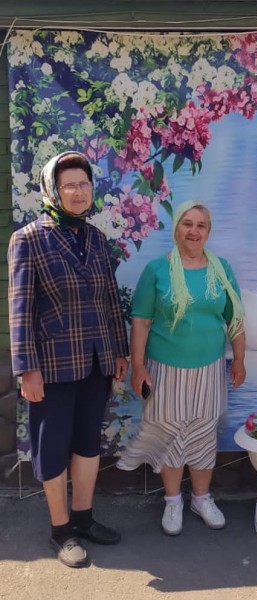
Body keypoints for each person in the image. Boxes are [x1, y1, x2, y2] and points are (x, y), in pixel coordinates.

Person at [8, 151, 130, 568]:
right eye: (69, 186)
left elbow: (109, 299)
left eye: (84, 184)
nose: (79, 192)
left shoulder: (95, 238)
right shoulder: (28, 239)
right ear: (52, 191)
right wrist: (27, 369)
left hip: (96, 360)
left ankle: (84, 518)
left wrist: (119, 350)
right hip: (52, 366)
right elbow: (20, 309)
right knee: (52, 447)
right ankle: (61, 531)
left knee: (87, 444)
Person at [117, 200, 246, 537]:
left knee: (203, 434)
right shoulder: (156, 270)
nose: (193, 231)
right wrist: (138, 366)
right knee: (170, 436)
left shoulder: (221, 270)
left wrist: (240, 359)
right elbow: (141, 321)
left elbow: (235, 319)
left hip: (209, 369)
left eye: (201, 225)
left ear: (208, 232)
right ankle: (173, 501)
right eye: (187, 224)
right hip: (165, 369)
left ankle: (201, 499)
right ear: (176, 229)